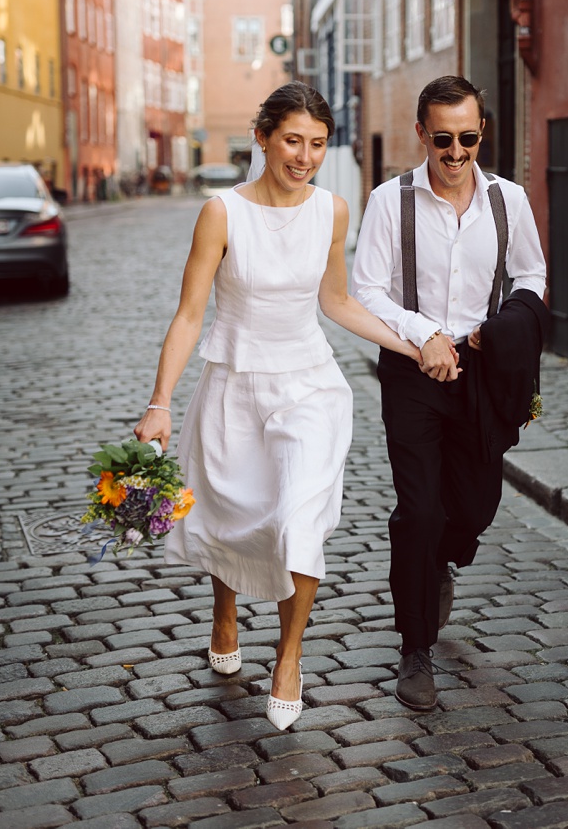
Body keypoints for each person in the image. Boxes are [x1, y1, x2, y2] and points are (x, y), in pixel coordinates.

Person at [134, 82, 424, 730]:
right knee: (234, 516)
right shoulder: (221, 214)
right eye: (293, 140)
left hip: (309, 389)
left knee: (300, 519)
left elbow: (339, 302)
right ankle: (225, 611)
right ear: (262, 136)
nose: (305, 157)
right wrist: (160, 401)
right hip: (234, 386)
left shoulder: (332, 212)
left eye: (317, 144)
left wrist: (411, 343)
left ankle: (290, 656)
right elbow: (188, 316)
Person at [352, 76, 547, 711]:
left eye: (468, 137)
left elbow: (531, 274)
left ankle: (440, 561)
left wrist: (497, 332)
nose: (456, 152)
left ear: (481, 133)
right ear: (422, 135)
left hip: (482, 371)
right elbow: (367, 290)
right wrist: (424, 335)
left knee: (475, 506)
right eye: (443, 138)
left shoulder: (508, 200)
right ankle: (416, 649)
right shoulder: (390, 202)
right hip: (413, 371)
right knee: (420, 511)